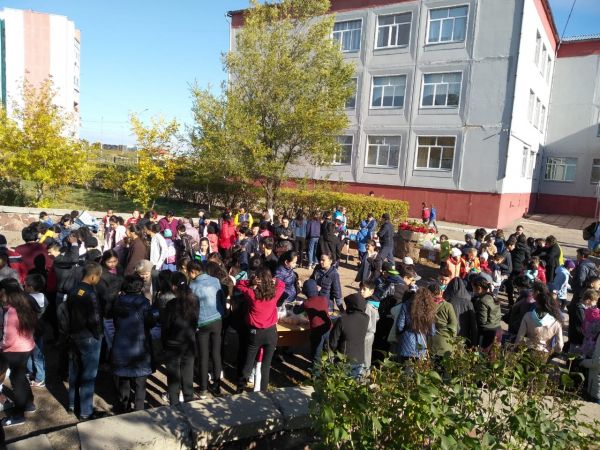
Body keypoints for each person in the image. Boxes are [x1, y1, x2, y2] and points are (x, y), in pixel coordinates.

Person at [236, 268, 285, 392]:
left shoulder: (252, 294)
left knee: (248, 363)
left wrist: (251, 282)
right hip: (271, 333)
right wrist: (274, 280)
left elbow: (239, 284)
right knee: (266, 366)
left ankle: (240, 389)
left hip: (255, 333)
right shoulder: (274, 294)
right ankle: (263, 392)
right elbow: (282, 284)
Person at [110, 275, 154, 412]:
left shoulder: (118, 302)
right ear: (139, 287)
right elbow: (150, 322)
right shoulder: (144, 303)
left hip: (121, 344)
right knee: (140, 382)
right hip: (139, 346)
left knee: (124, 379)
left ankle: (125, 407)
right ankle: (139, 409)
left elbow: (115, 321)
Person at [66, 262, 103, 420]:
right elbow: (95, 318)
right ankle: (86, 412)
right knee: (88, 375)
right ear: (93, 276)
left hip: (73, 335)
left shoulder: (73, 290)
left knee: (74, 371)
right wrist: (99, 334)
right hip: (89, 338)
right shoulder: (91, 293)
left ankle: (72, 404)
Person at [0, 285, 37, 427]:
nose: (1, 296)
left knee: (17, 382)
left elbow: (8, 338)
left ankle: (18, 416)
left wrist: (1, 346)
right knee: (21, 377)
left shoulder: (11, 312)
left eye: (2, 293)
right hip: (26, 346)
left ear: (10, 295)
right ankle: (29, 403)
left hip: (15, 350)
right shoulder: (24, 306)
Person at [161, 272, 199, 406]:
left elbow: (166, 326)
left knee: (173, 379)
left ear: (173, 286)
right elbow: (195, 321)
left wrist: (164, 343)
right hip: (189, 342)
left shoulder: (171, 304)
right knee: (188, 376)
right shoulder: (195, 300)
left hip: (173, 344)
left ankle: (174, 405)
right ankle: (189, 403)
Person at [188, 261, 224, 397]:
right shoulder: (215, 280)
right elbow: (221, 298)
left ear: (193, 272)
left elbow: (191, 307)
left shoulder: (192, 286)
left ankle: (203, 388)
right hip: (217, 319)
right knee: (216, 353)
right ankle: (217, 386)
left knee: (203, 355)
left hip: (202, 322)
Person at [329, 292, 370, 378]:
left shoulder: (342, 320)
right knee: (354, 383)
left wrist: (334, 352)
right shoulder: (366, 318)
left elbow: (333, 342)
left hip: (344, 358)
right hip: (359, 359)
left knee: (341, 384)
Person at [515, 289, 564, 355]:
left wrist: (515, 348)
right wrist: (554, 351)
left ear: (537, 303)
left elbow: (519, 337)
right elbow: (560, 346)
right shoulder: (556, 322)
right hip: (544, 353)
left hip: (528, 350)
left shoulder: (528, 316)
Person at [395, 288, 437, 361]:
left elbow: (399, 326)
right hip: (421, 344)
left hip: (406, 341)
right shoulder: (429, 310)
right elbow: (432, 332)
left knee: (403, 366)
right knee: (418, 366)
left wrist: (400, 334)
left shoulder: (406, 305)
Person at [24, 274, 48, 388]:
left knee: (30, 353)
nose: (24, 287)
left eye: (25, 285)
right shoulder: (44, 297)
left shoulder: (27, 299)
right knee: (38, 353)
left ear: (31, 287)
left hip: (30, 329)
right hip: (40, 328)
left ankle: (39, 378)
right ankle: (36, 375)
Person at [301, 279, 332, 363]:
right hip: (328, 327)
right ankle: (329, 363)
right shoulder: (324, 299)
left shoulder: (307, 303)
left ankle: (316, 369)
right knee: (327, 348)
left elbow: (296, 311)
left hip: (317, 330)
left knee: (316, 350)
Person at [444, 276, 478, 347]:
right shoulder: (469, 303)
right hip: (464, 337)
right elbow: (473, 325)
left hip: (449, 336)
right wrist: (474, 344)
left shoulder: (447, 302)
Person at [471, 276, 502, 351]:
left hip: (488, 333)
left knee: (483, 354)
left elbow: (482, 321)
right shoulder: (492, 296)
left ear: (479, 288)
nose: (473, 291)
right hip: (498, 328)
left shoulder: (482, 301)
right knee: (493, 354)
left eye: (473, 288)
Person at [428, 283, 458, 357]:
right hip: (445, 341)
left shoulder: (426, 306)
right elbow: (454, 324)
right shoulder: (447, 306)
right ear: (441, 292)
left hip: (431, 343)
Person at [360, 281, 378, 370]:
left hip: (366, 333)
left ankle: (364, 375)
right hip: (371, 333)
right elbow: (377, 317)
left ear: (371, 291)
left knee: (364, 357)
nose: (361, 291)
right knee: (367, 356)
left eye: (364, 289)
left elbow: (365, 322)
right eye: (360, 288)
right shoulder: (375, 302)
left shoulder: (367, 305)